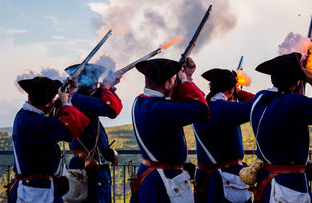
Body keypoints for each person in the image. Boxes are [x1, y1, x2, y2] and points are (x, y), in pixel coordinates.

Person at [250, 52, 312, 203]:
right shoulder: (293, 102)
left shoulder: (259, 98)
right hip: (289, 185)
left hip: (267, 183)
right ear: (297, 82)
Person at [130, 58, 209, 203]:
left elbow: (177, 104)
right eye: (172, 80)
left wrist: (187, 78)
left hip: (153, 177)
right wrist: (185, 80)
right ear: (167, 84)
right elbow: (201, 109)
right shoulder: (159, 109)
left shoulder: (141, 101)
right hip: (164, 181)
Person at [10, 76, 90, 203]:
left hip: (39, 189)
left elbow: (71, 121)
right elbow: (71, 128)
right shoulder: (33, 121)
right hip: (35, 192)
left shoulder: (27, 116)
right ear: (47, 103)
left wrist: (69, 96)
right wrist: (65, 104)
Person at [193, 68, 254, 203]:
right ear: (231, 90)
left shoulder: (200, 106)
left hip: (205, 180)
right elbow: (259, 105)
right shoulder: (225, 109)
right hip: (227, 180)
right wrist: (239, 93)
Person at [65, 63, 123, 203]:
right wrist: (106, 90)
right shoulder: (77, 99)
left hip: (94, 164)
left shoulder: (80, 99)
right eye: (94, 82)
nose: (96, 85)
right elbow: (112, 110)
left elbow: (114, 106)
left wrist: (109, 89)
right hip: (87, 166)